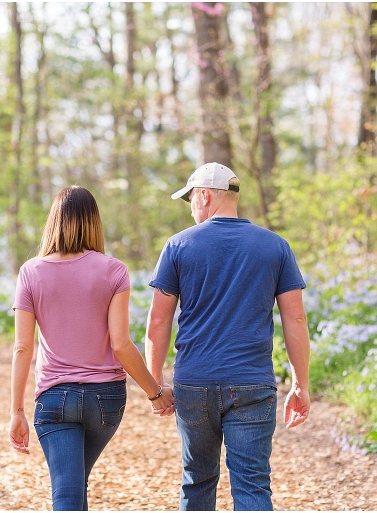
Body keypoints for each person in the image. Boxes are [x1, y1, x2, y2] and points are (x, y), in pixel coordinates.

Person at [144, 162, 311, 511]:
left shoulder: (178, 246)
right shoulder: (275, 246)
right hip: (252, 383)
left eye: (190, 198)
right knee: (252, 486)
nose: (190, 207)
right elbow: (294, 317)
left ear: (204, 196)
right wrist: (300, 384)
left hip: (194, 383)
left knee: (197, 480)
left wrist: (155, 384)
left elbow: (158, 321)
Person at [9, 185, 175, 511]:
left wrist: (16, 412)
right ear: (94, 222)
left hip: (55, 400)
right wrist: (154, 393)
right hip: (106, 400)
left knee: (68, 494)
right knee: (74, 485)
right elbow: (122, 344)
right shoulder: (113, 270)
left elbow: (22, 348)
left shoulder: (31, 272)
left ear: (53, 221)